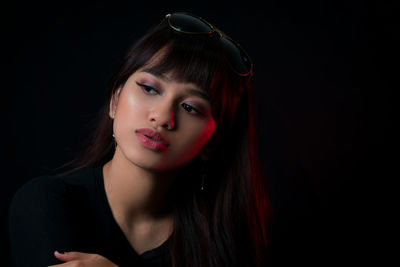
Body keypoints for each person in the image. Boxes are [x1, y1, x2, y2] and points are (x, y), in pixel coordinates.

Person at [8, 12, 271, 267]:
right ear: (114, 100)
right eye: (149, 88)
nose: (162, 117)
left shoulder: (226, 243)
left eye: (190, 107)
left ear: (212, 143)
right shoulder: (46, 204)